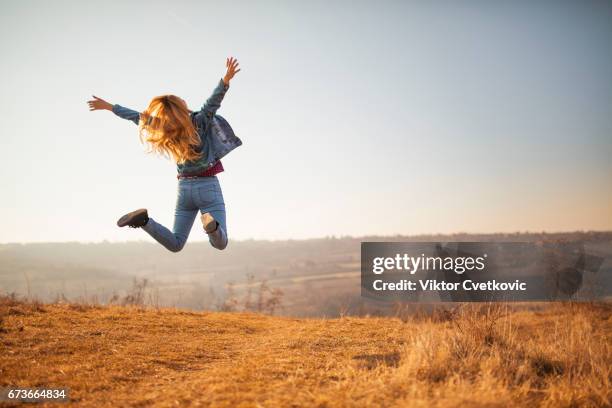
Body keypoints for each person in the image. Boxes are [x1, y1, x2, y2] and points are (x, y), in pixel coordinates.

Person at [87, 57, 241, 252]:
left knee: (176, 244)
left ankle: (144, 221)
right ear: (181, 107)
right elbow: (213, 102)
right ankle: (212, 227)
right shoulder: (200, 121)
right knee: (220, 243)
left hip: (184, 189)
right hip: (207, 186)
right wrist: (226, 79)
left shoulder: (165, 129)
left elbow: (136, 117)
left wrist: (109, 107)